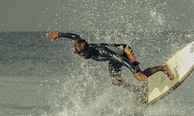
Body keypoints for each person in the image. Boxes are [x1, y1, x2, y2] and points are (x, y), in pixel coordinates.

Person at [45, 30, 175, 86]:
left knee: (139, 72)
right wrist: (60, 34)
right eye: (81, 55)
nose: (83, 57)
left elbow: (119, 58)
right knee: (116, 81)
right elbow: (75, 37)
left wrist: (134, 71)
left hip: (125, 52)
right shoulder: (81, 45)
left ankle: (163, 67)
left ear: (88, 49)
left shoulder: (101, 51)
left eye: (84, 55)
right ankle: (136, 91)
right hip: (114, 59)